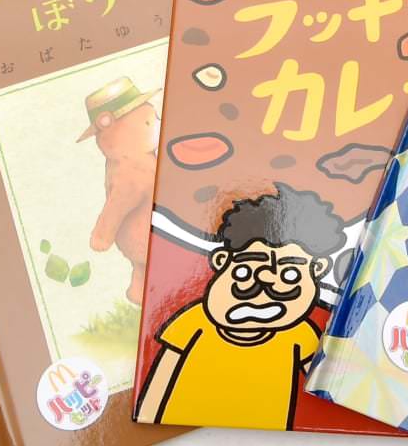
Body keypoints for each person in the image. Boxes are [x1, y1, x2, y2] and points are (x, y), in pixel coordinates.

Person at [135, 183, 345, 430]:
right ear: (222, 261)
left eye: (289, 274)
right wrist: (146, 414)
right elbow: (159, 382)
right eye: (246, 271)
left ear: (318, 269)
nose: (265, 286)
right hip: (182, 421)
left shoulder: (300, 336)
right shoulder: (193, 322)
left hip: (265, 435)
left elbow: (332, 387)